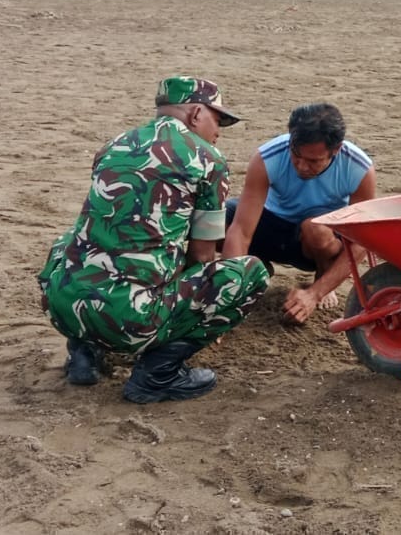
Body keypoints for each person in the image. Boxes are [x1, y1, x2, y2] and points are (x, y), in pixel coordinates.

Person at [37, 77, 271, 402]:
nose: (218, 132)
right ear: (195, 114)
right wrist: (198, 311)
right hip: (130, 320)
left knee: (75, 241)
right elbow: (203, 255)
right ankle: (157, 375)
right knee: (250, 273)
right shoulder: (207, 159)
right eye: (217, 120)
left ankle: (83, 352)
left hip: (63, 308)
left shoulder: (113, 144)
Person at [222, 102, 375, 324]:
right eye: (296, 155)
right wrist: (229, 300)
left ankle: (322, 278)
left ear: (336, 149)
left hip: (316, 242)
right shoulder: (268, 157)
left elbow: (360, 244)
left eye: (313, 161)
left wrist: (314, 294)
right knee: (214, 218)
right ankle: (255, 267)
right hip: (273, 225)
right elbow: (241, 230)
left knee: (315, 228)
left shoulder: (359, 169)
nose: (302, 166)